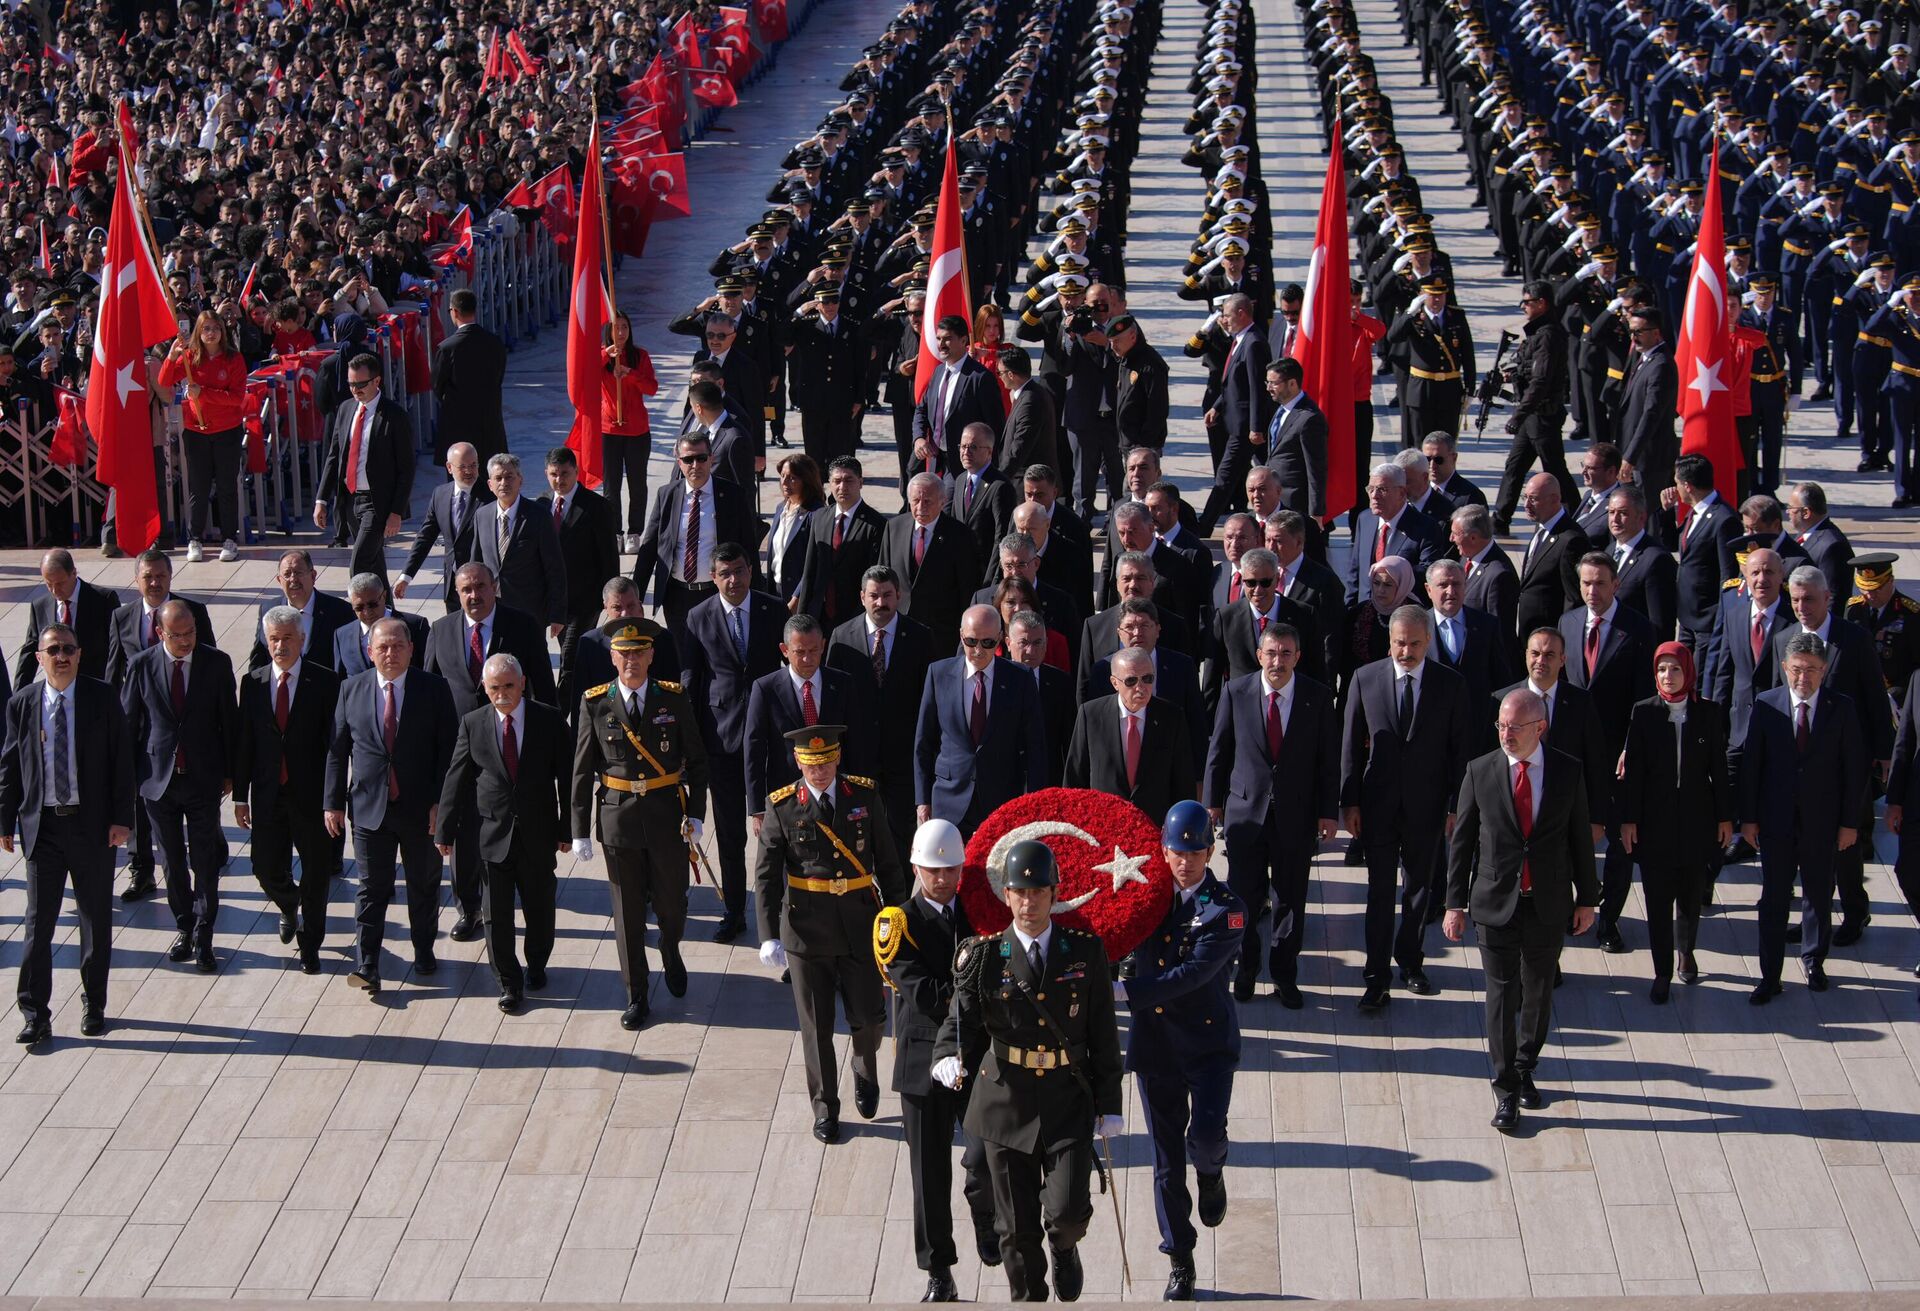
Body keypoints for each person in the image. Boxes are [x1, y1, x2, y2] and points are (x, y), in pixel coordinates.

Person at [931, 840, 1123, 1303]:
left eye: (1038, 892)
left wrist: (1109, 1103)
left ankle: (1064, 1247)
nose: (1029, 901)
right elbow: (962, 1019)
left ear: (1054, 894)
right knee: (1015, 1231)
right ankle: (1029, 1299)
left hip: (1065, 1099)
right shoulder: (984, 956)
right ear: (1007, 895)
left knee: (1069, 1211)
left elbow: (1102, 1034)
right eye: (1020, 891)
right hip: (1005, 1104)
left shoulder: (1084, 952)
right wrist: (946, 1055)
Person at [1444, 689, 1600, 1131]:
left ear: (1540, 728)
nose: (1505, 734)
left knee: (1538, 992)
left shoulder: (1567, 771)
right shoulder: (1481, 771)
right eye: (1501, 725)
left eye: (1515, 727)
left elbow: (1580, 841)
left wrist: (1588, 898)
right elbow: (1462, 844)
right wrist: (1454, 903)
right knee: (1501, 995)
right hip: (1496, 903)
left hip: (1547, 903)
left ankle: (1526, 1064)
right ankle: (1505, 1088)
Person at [755, 724, 905, 1143]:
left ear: (838, 758)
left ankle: (863, 1061)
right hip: (806, 929)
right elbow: (766, 876)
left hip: (860, 924)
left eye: (826, 763)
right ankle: (825, 1108)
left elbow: (889, 864)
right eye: (811, 764)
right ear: (799, 762)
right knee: (816, 1026)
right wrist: (768, 933)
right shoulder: (782, 805)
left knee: (870, 1018)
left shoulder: (864, 796)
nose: (819, 772)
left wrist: (898, 919)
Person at [1121, 799, 1245, 1301]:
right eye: (1177, 851)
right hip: (1157, 1049)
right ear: (1164, 850)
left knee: (1205, 1138)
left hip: (1208, 1044)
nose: (1185, 861)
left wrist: (1130, 992)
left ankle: (1212, 1173)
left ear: (1211, 852)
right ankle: (1179, 1256)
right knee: (1167, 1162)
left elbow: (1194, 974)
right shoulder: (1140, 895)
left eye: (1196, 852)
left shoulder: (1226, 909)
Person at [876, 818, 998, 1302]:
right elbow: (923, 993)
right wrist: (975, 994)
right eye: (934, 870)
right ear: (916, 868)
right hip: (925, 1060)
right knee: (928, 1174)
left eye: (951, 869)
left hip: (979, 1055)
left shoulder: (978, 914)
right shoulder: (896, 922)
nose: (943, 879)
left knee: (988, 1153)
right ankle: (938, 1268)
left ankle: (987, 1219)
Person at [570, 618, 709, 1029]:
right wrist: (578, 829)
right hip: (619, 819)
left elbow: (697, 761)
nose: (631, 660)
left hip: (667, 815)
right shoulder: (595, 702)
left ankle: (670, 947)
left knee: (672, 903)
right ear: (612, 658)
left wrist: (697, 813)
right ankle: (636, 994)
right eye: (623, 654)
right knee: (627, 913)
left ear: (651, 655)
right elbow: (581, 769)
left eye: (638, 652)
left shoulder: (673, 698)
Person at [1, 622, 133, 1045]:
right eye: (53, 650)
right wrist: (4, 821)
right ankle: (35, 1013)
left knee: (95, 919)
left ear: (80, 655)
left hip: (91, 827)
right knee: (39, 924)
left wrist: (121, 819)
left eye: (68, 649)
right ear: (39, 658)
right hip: (43, 829)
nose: (61, 656)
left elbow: (121, 763)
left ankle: (94, 1004)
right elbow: (9, 766)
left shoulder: (102, 698)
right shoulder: (23, 703)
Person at [1341, 605, 1472, 1010]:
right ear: (1390, 641)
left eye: (1415, 643)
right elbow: (1350, 745)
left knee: (1418, 892)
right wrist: (1350, 803)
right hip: (1377, 807)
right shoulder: (1365, 679)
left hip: (1427, 808)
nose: (1406, 651)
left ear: (1428, 640)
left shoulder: (1450, 685)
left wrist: (1455, 806)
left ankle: (1411, 962)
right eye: (1399, 643)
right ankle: (1376, 974)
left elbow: (1460, 752)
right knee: (1379, 893)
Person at [1206, 620, 1339, 1008]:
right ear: (1259, 655)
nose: (1277, 661)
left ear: (1297, 656)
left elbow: (1328, 762)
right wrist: (1213, 804)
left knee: (1290, 901)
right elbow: (1219, 751)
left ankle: (1284, 975)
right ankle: (1245, 969)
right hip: (1246, 817)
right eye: (1270, 652)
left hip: (1296, 818)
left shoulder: (1317, 696)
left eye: (1285, 653)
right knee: (1243, 900)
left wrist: (1328, 814)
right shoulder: (1236, 691)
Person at [326, 617, 459, 999]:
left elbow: (448, 753)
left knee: (423, 883)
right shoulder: (351, 689)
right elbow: (337, 752)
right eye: (382, 647)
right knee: (371, 888)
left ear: (410, 649)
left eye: (397, 646)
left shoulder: (434, 690)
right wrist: (332, 803)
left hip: (421, 810)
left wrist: (441, 805)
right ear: (369, 652)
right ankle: (367, 963)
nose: (390, 653)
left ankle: (423, 948)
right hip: (370, 809)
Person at [436, 654, 572, 1014]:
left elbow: (568, 777)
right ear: (485, 688)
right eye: (494, 688)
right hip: (492, 836)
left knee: (540, 909)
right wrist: (444, 830)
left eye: (509, 686)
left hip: (539, 833)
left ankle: (537, 963)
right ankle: (508, 983)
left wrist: (568, 828)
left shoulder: (549, 719)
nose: (502, 695)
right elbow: (457, 777)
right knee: (495, 915)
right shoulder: (473, 724)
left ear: (523, 683)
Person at [1737, 633, 1868, 1002]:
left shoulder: (1840, 708)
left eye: (1811, 670)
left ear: (1824, 671)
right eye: (1796, 669)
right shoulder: (1767, 704)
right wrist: (1747, 819)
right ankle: (1769, 975)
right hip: (1776, 822)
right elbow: (1752, 766)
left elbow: (1853, 771)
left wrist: (1849, 824)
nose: (1803, 678)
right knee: (1774, 897)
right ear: (1784, 668)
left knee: (1818, 895)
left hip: (1823, 823)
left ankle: (1813, 961)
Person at [123, 599, 238, 975]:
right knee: (171, 861)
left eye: (191, 633)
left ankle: (205, 935)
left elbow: (228, 721)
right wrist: (127, 780)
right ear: (161, 633)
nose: (187, 640)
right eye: (178, 635)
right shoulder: (141, 665)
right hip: (158, 782)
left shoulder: (217, 663)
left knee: (204, 860)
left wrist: (231, 774)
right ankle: (184, 927)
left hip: (203, 779)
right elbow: (131, 726)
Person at [683, 544, 788, 942]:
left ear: (751, 570)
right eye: (725, 573)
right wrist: (690, 742)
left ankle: (779, 910)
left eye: (740, 570)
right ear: (714, 577)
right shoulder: (698, 617)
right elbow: (692, 680)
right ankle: (733, 911)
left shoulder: (773, 609)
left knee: (776, 828)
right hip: (721, 738)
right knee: (729, 831)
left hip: (769, 735)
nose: (734, 579)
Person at [1618, 643, 1732, 1001]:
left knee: (1689, 895)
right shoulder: (1643, 712)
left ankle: (1686, 952)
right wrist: (1628, 819)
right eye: (1662, 669)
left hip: (1697, 819)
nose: (1668, 676)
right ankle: (1662, 971)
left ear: (1689, 672)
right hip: (1655, 821)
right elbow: (1633, 773)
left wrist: (1726, 817)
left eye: (1676, 669)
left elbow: (1719, 770)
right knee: (1656, 898)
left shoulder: (1709, 714)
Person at [234, 608, 341, 974]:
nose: (280, 645)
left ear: (302, 640)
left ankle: (310, 946)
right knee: (264, 867)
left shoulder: (326, 683)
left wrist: (334, 799)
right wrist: (239, 795)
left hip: (311, 797)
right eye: (274, 639)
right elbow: (245, 742)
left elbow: (334, 747)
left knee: (316, 874)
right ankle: (287, 901)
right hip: (267, 795)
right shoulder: (253, 683)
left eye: (287, 638)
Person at [1559, 552, 1656, 951]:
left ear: (1616, 585)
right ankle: (1571, 908)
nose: (1592, 591)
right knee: (1567, 836)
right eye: (1586, 583)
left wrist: (1631, 748)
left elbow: (1644, 700)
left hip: (1618, 755)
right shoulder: (1567, 623)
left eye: (1600, 583)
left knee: (1619, 842)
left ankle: (1610, 920)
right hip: (1573, 754)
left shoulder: (1638, 630)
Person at [826, 565, 934, 858]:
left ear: (899, 595)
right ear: (862, 597)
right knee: (857, 837)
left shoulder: (921, 638)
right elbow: (834, 704)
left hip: (903, 760)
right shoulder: (841, 636)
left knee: (901, 839)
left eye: (887, 595)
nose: (881, 603)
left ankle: (897, 901)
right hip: (858, 760)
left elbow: (928, 703)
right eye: (874, 595)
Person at [915, 606, 1050, 835]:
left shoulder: (1020, 679)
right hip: (949, 801)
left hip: (1002, 801)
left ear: (999, 639)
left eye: (987, 643)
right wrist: (922, 800)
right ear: (961, 636)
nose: (978, 650)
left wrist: (1033, 805)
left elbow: (1035, 746)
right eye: (971, 641)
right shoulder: (938, 674)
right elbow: (923, 742)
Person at [631, 431, 764, 646]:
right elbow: (650, 548)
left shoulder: (732, 495)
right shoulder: (667, 495)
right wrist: (635, 596)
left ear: (711, 459)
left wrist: (757, 597)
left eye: (701, 458)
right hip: (676, 596)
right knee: (684, 663)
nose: (695, 465)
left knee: (716, 657)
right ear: (679, 463)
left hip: (716, 594)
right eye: (688, 459)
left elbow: (748, 547)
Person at [1063, 645, 1196, 824]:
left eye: (1147, 679)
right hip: (1103, 826)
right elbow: (1075, 777)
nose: (1141, 688)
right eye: (1131, 681)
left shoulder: (1172, 718)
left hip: (1154, 826)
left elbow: (1183, 781)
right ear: (1114, 682)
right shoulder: (1091, 715)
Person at [315, 352, 416, 582]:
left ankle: (359, 613)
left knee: (359, 564)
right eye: (351, 384)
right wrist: (321, 500)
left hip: (377, 503)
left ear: (377, 381)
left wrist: (396, 512)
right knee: (375, 567)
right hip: (350, 500)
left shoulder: (394, 416)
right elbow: (334, 457)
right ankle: (387, 612)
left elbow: (407, 468)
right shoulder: (346, 409)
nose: (355, 389)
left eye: (361, 384)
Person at [157, 310, 249, 563]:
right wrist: (171, 356)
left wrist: (203, 393)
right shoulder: (189, 358)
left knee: (227, 485)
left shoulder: (234, 359)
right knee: (198, 486)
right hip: (196, 431)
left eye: (215, 328)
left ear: (222, 331)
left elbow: (237, 398)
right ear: (198, 332)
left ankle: (229, 538)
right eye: (205, 328)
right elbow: (164, 379)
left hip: (227, 431)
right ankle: (194, 538)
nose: (211, 333)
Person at [543, 446, 621, 711]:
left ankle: (559, 716)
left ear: (576, 472)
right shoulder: (540, 505)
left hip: (584, 601)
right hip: (553, 603)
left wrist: (611, 598)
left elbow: (609, 557)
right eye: (554, 474)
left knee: (569, 659)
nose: (559, 480)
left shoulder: (596, 507)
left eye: (565, 473)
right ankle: (585, 704)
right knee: (575, 661)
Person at [1492, 281, 1575, 520]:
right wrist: (1513, 374)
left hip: (1542, 416)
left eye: (1527, 302)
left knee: (1555, 470)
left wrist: (1518, 415)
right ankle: (1500, 517)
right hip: (1532, 417)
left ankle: (1575, 514)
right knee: (1515, 466)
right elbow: (1530, 371)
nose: (1523, 307)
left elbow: (1541, 381)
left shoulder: (1548, 335)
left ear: (1542, 303)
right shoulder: (1537, 333)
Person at [473, 453, 568, 633]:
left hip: (530, 611)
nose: (504, 483)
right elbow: (475, 565)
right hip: (492, 610)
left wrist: (557, 614)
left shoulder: (539, 516)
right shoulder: (482, 516)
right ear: (490, 485)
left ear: (520, 480)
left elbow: (555, 568)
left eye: (509, 477)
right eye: (498, 478)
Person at [879, 474, 980, 645]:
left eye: (927, 501)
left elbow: (967, 588)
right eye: (916, 500)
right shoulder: (894, 527)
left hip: (941, 632)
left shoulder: (960, 536)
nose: (920, 507)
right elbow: (883, 576)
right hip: (900, 626)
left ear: (942, 501)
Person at [796, 457, 888, 625]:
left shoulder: (876, 524)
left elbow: (875, 577)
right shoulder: (820, 517)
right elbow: (810, 571)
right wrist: (802, 617)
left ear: (860, 482)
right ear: (829, 483)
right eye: (836, 481)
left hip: (855, 615)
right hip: (820, 613)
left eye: (849, 480)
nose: (842, 487)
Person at [915, 314, 1005, 477]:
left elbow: (995, 426)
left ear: (964, 341)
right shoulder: (939, 371)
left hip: (964, 465)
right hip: (935, 461)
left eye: (947, 339)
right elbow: (922, 409)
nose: (941, 344)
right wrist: (919, 438)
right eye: (938, 338)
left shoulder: (980, 378)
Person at [14, 549, 118, 687]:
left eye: (60, 583)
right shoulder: (40, 606)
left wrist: (111, 690)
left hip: (95, 687)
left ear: (74, 573)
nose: (55, 591)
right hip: (58, 687)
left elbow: (116, 648)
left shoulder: (103, 600)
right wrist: (18, 695)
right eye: (49, 584)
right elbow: (30, 651)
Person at [602, 310, 661, 553]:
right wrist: (606, 354)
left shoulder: (640, 356)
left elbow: (652, 388)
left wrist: (631, 373)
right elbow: (585, 373)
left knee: (638, 484)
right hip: (609, 430)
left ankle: (635, 531)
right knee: (611, 485)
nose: (621, 332)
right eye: (616, 328)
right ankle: (614, 531)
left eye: (625, 327)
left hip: (637, 430)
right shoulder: (603, 357)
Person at [247, 549, 356, 673]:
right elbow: (259, 660)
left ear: (313, 576)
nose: (293, 579)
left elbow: (348, 662)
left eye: (298, 573)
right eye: (287, 574)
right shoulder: (268, 610)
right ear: (279, 580)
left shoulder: (340, 611)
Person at [432, 287, 508, 462]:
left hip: (459, 426)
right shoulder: (494, 343)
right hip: (489, 424)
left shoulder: (447, 348)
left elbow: (438, 385)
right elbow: (499, 376)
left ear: (455, 312)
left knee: (460, 482)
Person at [1513, 473, 1590, 644]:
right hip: (1529, 633)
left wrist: (1562, 641)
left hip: (1549, 640)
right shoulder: (1542, 526)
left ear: (1554, 499)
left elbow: (1573, 599)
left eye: (1533, 499)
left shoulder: (1571, 540)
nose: (1526, 505)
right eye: (1525, 497)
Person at [766, 453, 825, 603]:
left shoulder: (816, 514)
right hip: (776, 591)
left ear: (807, 481)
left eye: (792, 478)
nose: (785, 482)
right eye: (783, 476)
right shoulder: (781, 508)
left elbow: (815, 563)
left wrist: (796, 599)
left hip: (799, 597)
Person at [998, 347, 1058, 475]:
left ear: (1010, 375)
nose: (1000, 377)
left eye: (1000, 373)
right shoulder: (1030, 393)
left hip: (1028, 484)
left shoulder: (1030, 402)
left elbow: (1019, 449)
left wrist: (999, 478)